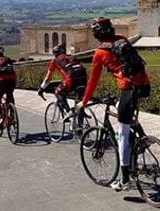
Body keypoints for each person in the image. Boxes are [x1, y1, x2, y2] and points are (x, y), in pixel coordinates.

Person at [76, 17, 150, 192]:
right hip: (144, 85)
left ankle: (124, 179)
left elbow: (92, 82)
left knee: (122, 134)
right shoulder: (122, 39)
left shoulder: (100, 53)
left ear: (96, 35)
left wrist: (83, 102)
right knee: (122, 108)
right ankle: (143, 137)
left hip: (129, 89)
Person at [38, 44, 88, 133]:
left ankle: (69, 112)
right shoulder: (71, 57)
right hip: (84, 78)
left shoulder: (55, 61)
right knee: (79, 101)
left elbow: (48, 78)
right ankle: (79, 126)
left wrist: (41, 88)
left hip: (71, 79)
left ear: (54, 54)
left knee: (58, 91)